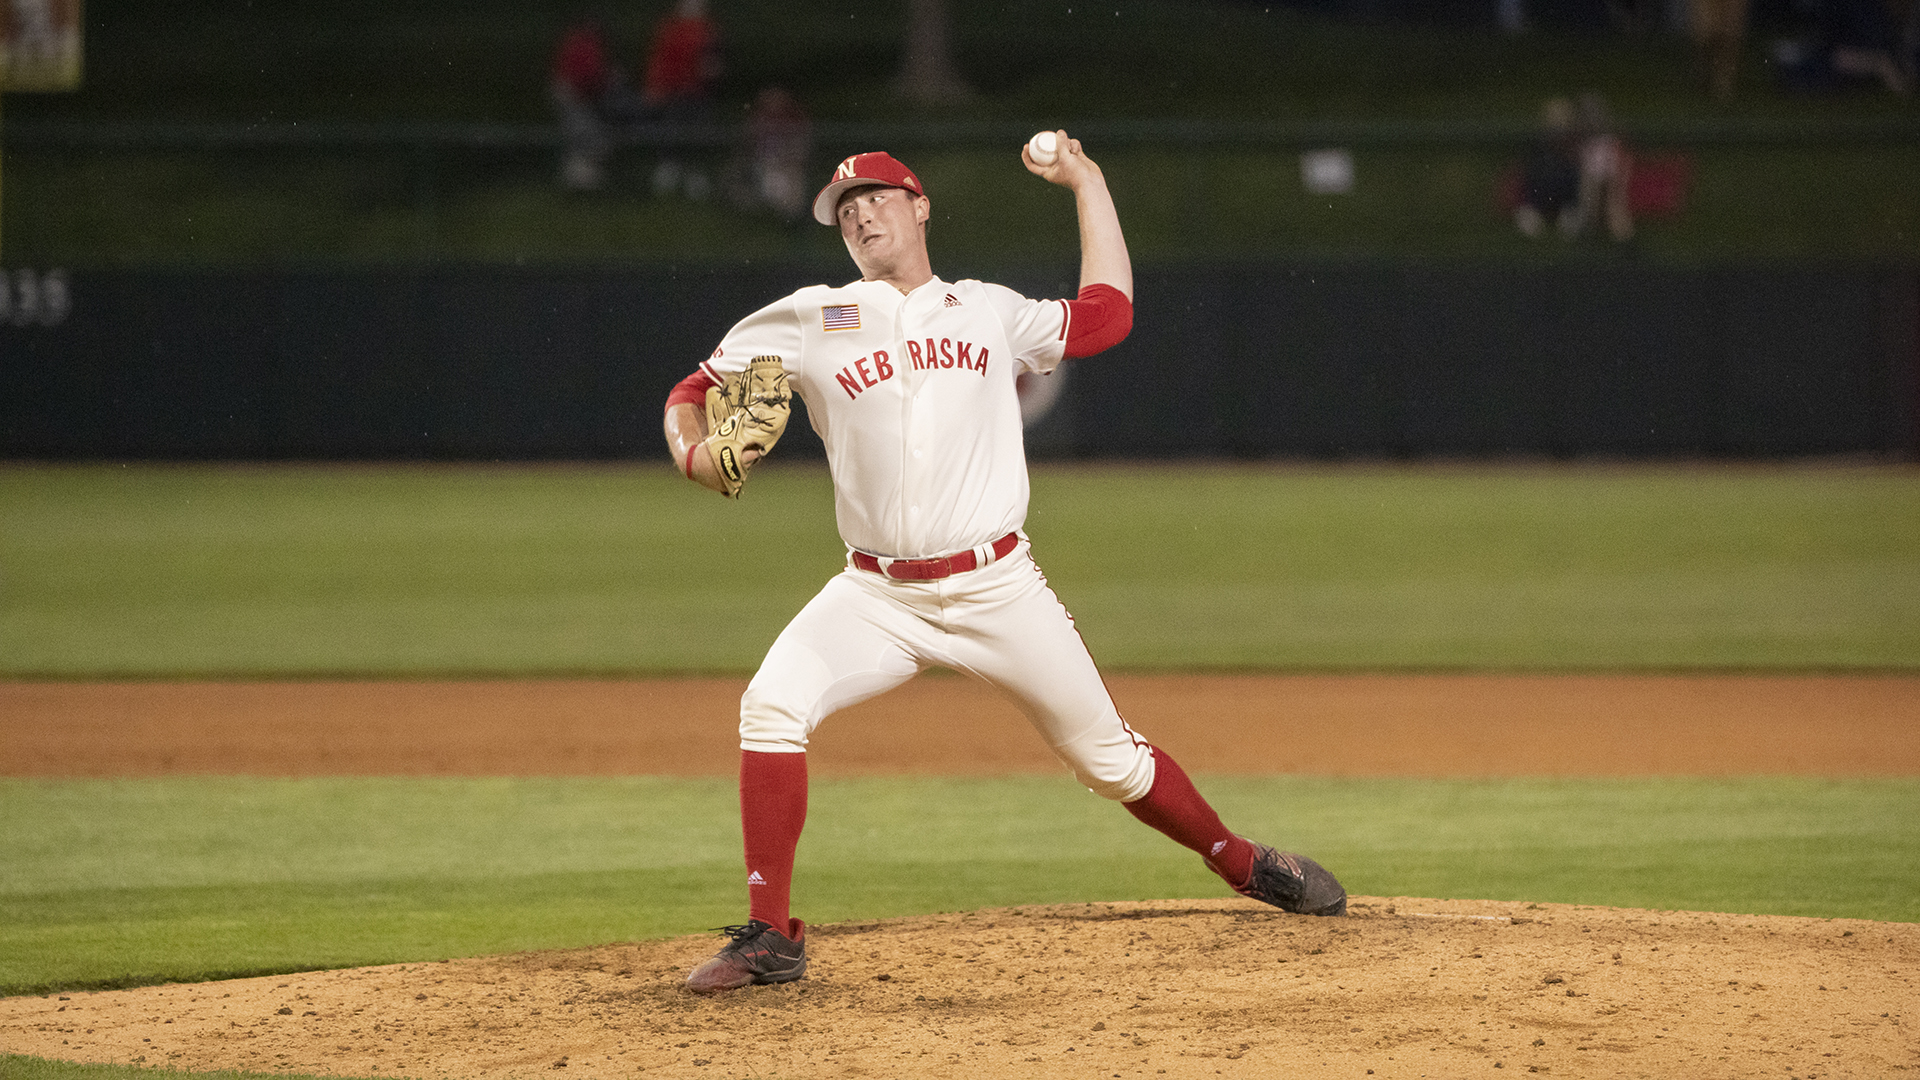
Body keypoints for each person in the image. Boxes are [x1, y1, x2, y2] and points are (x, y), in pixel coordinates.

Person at [660, 138, 1349, 996]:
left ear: (919, 207)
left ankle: (1244, 863)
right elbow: (690, 395)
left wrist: (1089, 182)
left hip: (998, 587)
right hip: (876, 593)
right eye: (843, 209)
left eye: (875, 196)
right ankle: (772, 936)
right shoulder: (809, 317)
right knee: (770, 705)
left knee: (1113, 765)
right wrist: (694, 457)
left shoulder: (986, 310)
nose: (860, 214)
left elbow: (1108, 314)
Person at [549, 18, 619, 191]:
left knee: (588, 141)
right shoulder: (582, 44)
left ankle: (582, 183)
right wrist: (607, 81)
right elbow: (585, 77)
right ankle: (581, 184)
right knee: (591, 141)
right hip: (573, 97)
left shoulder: (582, 43)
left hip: (579, 98)